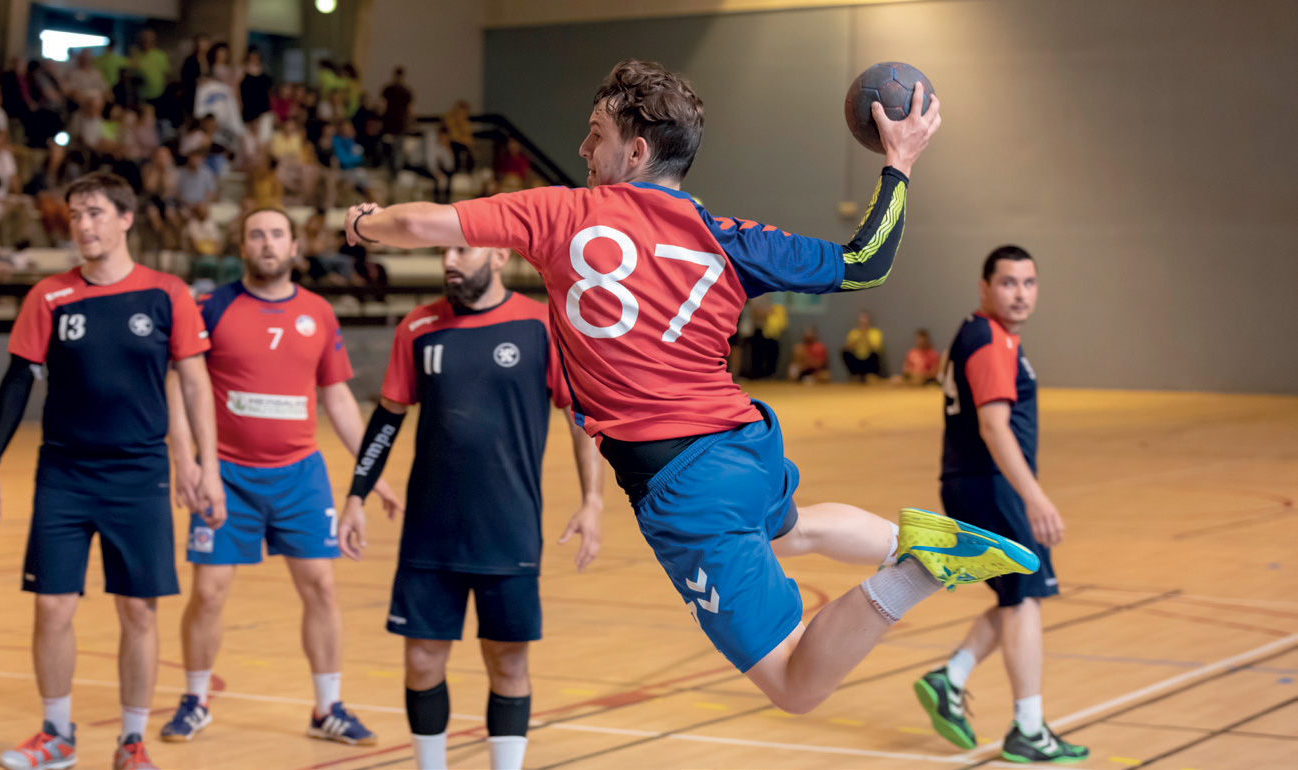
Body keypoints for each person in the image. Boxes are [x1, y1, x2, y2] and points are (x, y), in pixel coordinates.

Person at [338, 59, 1041, 720]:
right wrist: (900, 163)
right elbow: (864, 263)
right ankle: (911, 539)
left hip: (681, 485)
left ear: (636, 152)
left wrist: (364, 223)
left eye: (595, 136)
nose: (583, 150)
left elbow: (420, 222)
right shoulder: (728, 236)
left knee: (795, 685)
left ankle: (916, 569)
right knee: (786, 530)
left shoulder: (556, 214)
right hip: (744, 444)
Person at [0, 172, 223, 770]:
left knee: (137, 609)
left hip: (138, 474)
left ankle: (131, 741)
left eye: (95, 213)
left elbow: (194, 382)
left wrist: (206, 466)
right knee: (52, 607)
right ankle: (56, 735)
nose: (83, 225)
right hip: (62, 472)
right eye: (75, 215)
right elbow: (16, 384)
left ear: (125, 218)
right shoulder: (49, 296)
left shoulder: (167, 294)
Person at [340, 243, 604, 770]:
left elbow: (580, 416)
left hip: (508, 529)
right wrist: (356, 495)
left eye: (462, 249)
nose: (449, 261)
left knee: (507, 660)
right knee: (421, 660)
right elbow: (387, 418)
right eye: (444, 251)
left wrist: (591, 500)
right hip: (429, 531)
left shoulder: (541, 326)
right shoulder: (417, 328)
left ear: (500, 256)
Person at [158, 207, 400, 746]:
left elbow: (337, 396)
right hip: (227, 476)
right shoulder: (211, 307)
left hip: (299, 476)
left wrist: (370, 468)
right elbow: (180, 383)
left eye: (276, 235)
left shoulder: (318, 312)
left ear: (294, 247)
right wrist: (187, 459)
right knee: (211, 592)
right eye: (256, 235)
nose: (267, 243)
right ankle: (195, 699)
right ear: (242, 246)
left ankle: (327, 708)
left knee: (321, 586)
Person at [914, 246, 1088, 763]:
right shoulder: (988, 340)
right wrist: (1033, 497)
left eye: (1029, 283)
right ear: (984, 287)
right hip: (991, 486)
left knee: (1018, 597)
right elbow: (993, 426)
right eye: (1009, 283)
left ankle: (951, 678)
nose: (1020, 293)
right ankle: (1028, 730)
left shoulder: (992, 335)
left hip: (981, 485)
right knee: (1023, 600)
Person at [380, 67, 413, 170]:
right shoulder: (405, 91)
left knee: (391, 150)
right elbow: (410, 110)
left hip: (392, 125)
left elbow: (382, 106)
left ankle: (390, 171)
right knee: (395, 150)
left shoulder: (389, 89)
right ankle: (393, 171)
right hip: (395, 125)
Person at [843, 310, 884, 382]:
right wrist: (858, 337)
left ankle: (870, 374)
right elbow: (848, 347)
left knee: (875, 354)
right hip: (857, 359)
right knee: (845, 353)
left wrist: (866, 334)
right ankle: (855, 374)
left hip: (869, 360)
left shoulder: (875, 332)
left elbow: (876, 348)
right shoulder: (854, 332)